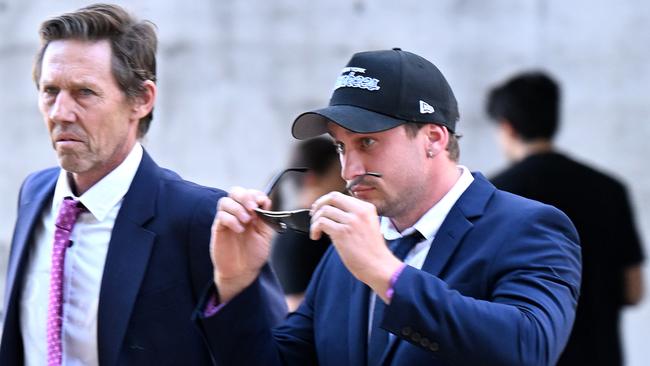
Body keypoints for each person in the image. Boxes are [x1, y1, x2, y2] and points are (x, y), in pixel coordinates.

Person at [198, 48, 582, 365]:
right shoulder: (347, 253)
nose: (350, 170)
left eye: (367, 142)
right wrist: (235, 282)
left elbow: (529, 348)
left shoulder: (528, 226)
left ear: (432, 138)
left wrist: (385, 273)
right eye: (340, 146)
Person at [0, 4, 227, 365]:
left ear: (141, 100)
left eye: (84, 92)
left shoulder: (198, 217)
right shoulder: (34, 194)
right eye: (50, 91)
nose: (61, 112)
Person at [485, 71, 645, 366]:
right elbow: (634, 291)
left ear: (507, 128)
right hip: (600, 356)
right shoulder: (609, 189)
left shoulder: (492, 196)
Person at [269, 137, 346, 311]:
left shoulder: (301, 228)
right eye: (338, 173)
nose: (346, 180)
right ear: (311, 178)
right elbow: (293, 305)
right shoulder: (302, 232)